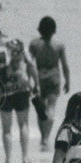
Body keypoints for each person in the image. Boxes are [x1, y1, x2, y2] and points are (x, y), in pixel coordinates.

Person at [0, 23, 39, 163]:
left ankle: (8, 160)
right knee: (23, 124)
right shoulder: (18, 43)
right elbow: (31, 65)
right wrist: (36, 84)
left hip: (3, 92)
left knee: (6, 128)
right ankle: (25, 158)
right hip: (22, 89)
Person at [28, 16, 70, 152]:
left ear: (40, 29)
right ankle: (46, 138)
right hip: (54, 77)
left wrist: (29, 80)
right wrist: (68, 81)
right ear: (54, 30)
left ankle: (43, 138)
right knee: (51, 108)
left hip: (39, 77)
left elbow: (29, 64)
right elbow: (64, 65)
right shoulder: (59, 45)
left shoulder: (34, 44)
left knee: (41, 110)